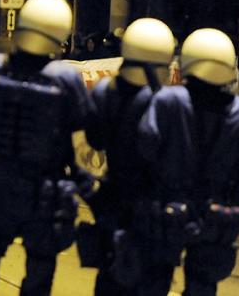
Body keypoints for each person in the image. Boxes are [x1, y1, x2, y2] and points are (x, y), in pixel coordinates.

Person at [0, 0, 91, 295]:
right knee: (40, 269)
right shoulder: (66, 79)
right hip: (46, 189)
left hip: (0, 182)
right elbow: (84, 131)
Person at [136, 28, 239, 296]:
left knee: (154, 281)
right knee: (203, 286)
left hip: (169, 209)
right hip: (217, 215)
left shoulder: (168, 100)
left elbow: (145, 147)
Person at [82, 18, 175, 295]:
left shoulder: (104, 92)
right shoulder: (168, 102)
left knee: (110, 279)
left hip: (114, 199)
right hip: (154, 205)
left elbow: (93, 139)